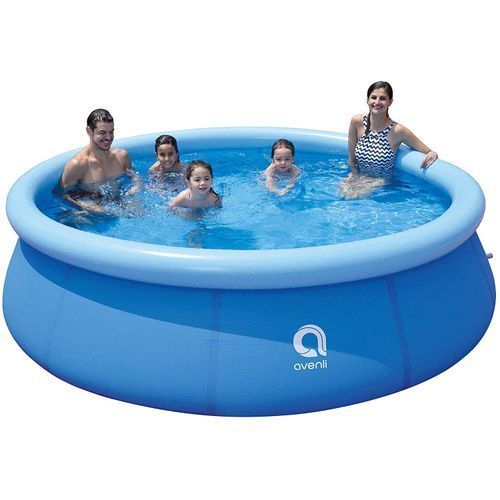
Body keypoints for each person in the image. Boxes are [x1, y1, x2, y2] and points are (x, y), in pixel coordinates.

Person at [340, 81, 438, 199]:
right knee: (342, 193)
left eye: (382, 98)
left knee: (353, 197)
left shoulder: (397, 131)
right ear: (367, 100)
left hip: (381, 181)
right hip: (358, 175)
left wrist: (432, 153)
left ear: (390, 101)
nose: (377, 102)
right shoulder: (357, 122)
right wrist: (353, 175)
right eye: (373, 97)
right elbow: (352, 160)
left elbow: (428, 151)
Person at [58, 109, 141, 212]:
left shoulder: (121, 156)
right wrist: (88, 207)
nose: (108, 137)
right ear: (89, 131)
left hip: (118, 203)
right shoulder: (78, 164)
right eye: (102, 132)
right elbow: (62, 194)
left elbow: (133, 175)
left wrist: (137, 185)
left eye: (111, 132)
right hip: (91, 213)